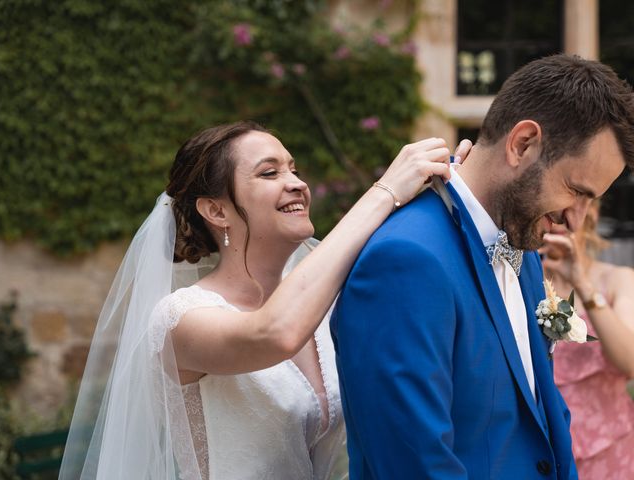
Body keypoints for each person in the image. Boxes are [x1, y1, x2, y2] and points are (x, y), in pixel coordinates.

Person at [59, 120, 472, 479]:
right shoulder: (180, 320)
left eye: (293, 168)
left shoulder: (327, 301)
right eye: (269, 172)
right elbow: (275, 333)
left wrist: (463, 200)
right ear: (216, 211)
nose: (296, 182)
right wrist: (385, 191)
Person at [331, 53, 634, 479]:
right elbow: (414, 464)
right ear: (522, 143)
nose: (575, 220)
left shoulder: (523, 247)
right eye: (574, 190)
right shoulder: (404, 261)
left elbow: (544, 417)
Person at [540, 201, 634, 479]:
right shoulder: (524, 281)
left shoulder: (617, 278)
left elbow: (629, 363)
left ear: (589, 214)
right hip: (545, 451)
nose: (557, 221)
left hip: (609, 449)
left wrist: (583, 285)